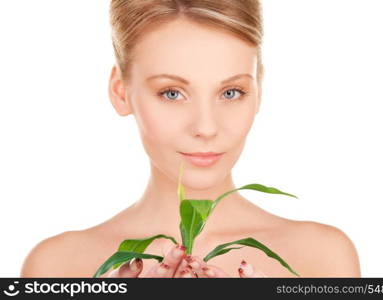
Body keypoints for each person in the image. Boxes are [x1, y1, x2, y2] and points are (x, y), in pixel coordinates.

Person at [20, 0, 361, 278]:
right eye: (172, 93)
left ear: (259, 91)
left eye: (231, 92)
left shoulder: (322, 258)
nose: (206, 127)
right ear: (120, 91)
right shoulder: (57, 267)